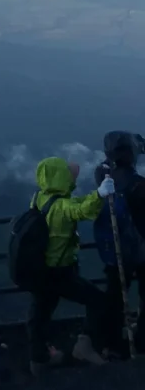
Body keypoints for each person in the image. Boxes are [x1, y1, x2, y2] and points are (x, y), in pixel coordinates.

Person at [27, 157, 115, 375]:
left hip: (41, 269)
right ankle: (84, 346)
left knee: (39, 314)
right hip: (59, 271)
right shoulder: (60, 207)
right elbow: (79, 210)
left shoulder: (40, 197)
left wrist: (95, 194)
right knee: (97, 301)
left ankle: (39, 359)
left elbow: (70, 204)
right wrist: (100, 195)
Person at [93, 131, 145, 357]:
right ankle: (142, 341)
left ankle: (110, 342)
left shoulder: (105, 178)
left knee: (114, 294)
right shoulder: (139, 186)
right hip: (140, 251)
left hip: (114, 251)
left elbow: (104, 165)